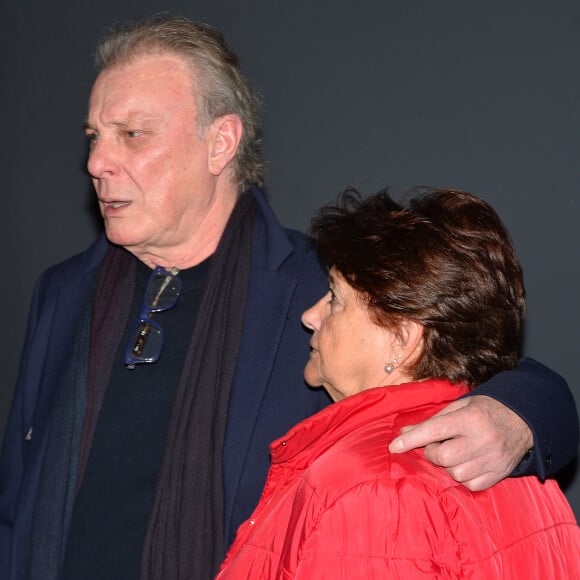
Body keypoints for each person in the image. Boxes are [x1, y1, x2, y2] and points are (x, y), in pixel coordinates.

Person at [0, 16, 576, 580]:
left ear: (220, 142)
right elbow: (17, 501)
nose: (97, 163)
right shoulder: (63, 292)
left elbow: (480, 359)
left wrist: (518, 415)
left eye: (132, 134)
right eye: (95, 137)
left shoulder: (321, 289)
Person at [217, 188, 580, 579]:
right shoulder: (525, 476)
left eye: (335, 299)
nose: (310, 315)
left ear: (401, 340)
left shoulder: (373, 490)